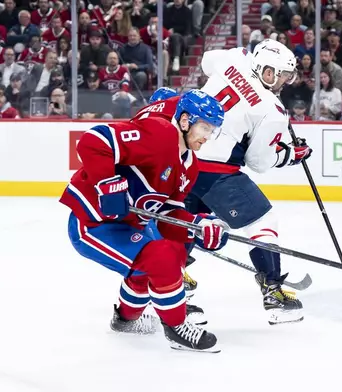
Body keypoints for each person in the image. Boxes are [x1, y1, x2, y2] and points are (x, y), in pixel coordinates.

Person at [59, 90, 229, 352]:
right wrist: (107, 183)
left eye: (212, 130)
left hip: (127, 226)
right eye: (204, 127)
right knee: (162, 258)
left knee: (163, 257)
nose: (208, 136)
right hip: (93, 223)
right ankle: (176, 327)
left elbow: (167, 217)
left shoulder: (190, 166)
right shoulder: (159, 134)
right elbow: (93, 141)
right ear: (185, 121)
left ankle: (125, 321)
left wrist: (197, 226)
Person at [189, 39, 312, 325]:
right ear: (266, 71)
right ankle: (273, 292)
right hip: (214, 171)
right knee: (263, 220)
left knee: (183, 220)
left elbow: (207, 60)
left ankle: (171, 286)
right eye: (280, 75)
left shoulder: (235, 58)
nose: (282, 82)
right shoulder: (272, 109)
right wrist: (290, 154)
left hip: (183, 154)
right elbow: (259, 162)